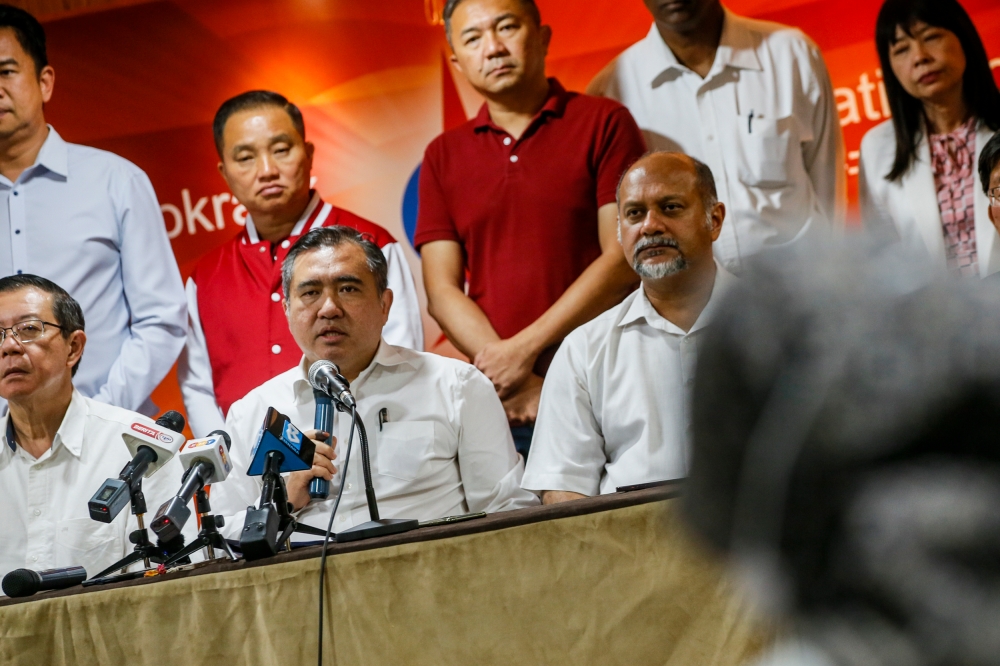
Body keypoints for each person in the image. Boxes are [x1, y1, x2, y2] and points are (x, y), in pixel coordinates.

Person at [416, 0, 647, 458]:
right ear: (457, 62)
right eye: (474, 38)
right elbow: (441, 290)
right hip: (505, 405)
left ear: (541, 37)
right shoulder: (443, 155)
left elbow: (621, 257)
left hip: (605, 380)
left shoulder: (603, 122)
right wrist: (510, 378)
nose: (494, 48)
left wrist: (519, 354)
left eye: (506, 27)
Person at [211, 227, 538, 542]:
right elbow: (223, 534)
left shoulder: (456, 385)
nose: (329, 308)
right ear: (286, 310)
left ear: (385, 304)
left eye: (348, 289)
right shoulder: (253, 412)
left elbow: (508, 510)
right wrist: (283, 502)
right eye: (310, 292)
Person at [178, 91, 424, 437]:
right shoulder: (206, 276)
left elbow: (402, 356)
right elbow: (198, 387)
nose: (267, 170)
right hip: (249, 477)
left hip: (357, 455)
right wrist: (231, 467)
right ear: (224, 172)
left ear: (308, 154)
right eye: (245, 157)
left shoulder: (371, 243)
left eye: (281, 150)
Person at [0, 5, 185, 415]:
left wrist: (98, 414)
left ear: (44, 82)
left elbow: (162, 319)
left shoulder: (115, 180)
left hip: (112, 438)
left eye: (6, 71)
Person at [522, 152, 735, 503]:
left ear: (714, 220)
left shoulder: (778, 330)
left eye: (670, 207)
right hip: (629, 552)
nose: (650, 226)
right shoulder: (584, 350)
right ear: (619, 232)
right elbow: (563, 490)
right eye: (635, 213)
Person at [589, 0, 844, 275]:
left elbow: (827, 183)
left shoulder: (791, 54)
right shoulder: (614, 89)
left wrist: (832, 278)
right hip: (692, 305)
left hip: (801, 285)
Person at [0, 275, 191, 582]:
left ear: (73, 347)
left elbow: (174, 579)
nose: (9, 346)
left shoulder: (141, 447)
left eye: (28, 329)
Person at [859, 0, 1000, 278]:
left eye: (931, 37)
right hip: (934, 317)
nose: (920, 56)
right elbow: (881, 260)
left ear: (964, 38)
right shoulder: (877, 147)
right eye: (901, 49)